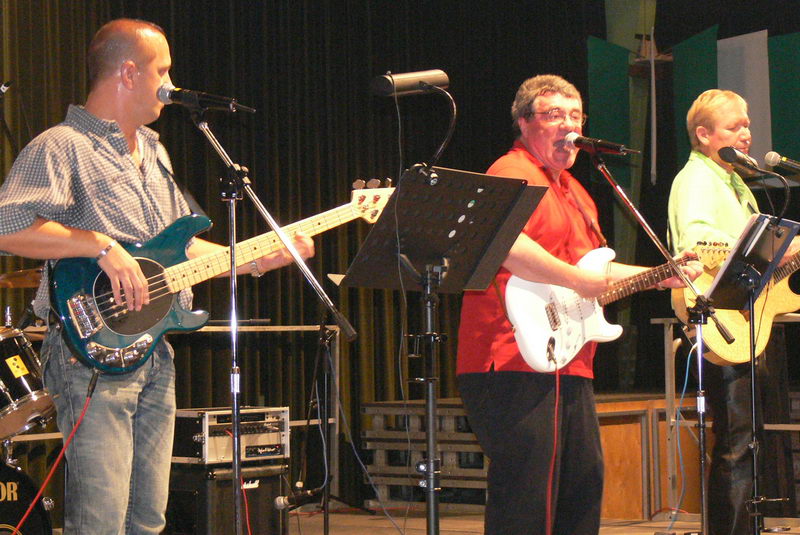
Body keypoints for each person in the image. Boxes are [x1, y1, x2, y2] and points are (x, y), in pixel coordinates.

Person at [0, 19, 313, 533]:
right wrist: (103, 245)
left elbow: (181, 246)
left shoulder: (154, 151)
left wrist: (256, 257)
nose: (170, 84)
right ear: (127, 73)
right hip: (91, 351)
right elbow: (10, 226)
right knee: (101, 521)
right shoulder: (60, 145)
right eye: (162, 71)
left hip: (153, 347)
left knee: (147, 517)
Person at [456, 74, 702, 535]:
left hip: (569, 359)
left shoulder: (579, 192)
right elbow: (508, 246)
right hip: (509, 358)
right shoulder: (510, 172)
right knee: (527, 497)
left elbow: (596, 274)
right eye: (554, 115)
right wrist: (578, 280)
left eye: (576, 116)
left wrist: (660, 276)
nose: (569, 125)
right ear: (524, 123)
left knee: (581, 487)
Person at [668, 89, 798, 535]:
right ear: (704, 135)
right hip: (722, 321)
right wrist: (779, 251)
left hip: (745, 318)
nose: (746, 134)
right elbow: (702, 248)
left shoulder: (733, 180)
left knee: (747, 442)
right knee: (736, 444)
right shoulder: (696, 181)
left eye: (746, 124)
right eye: (733, 127)